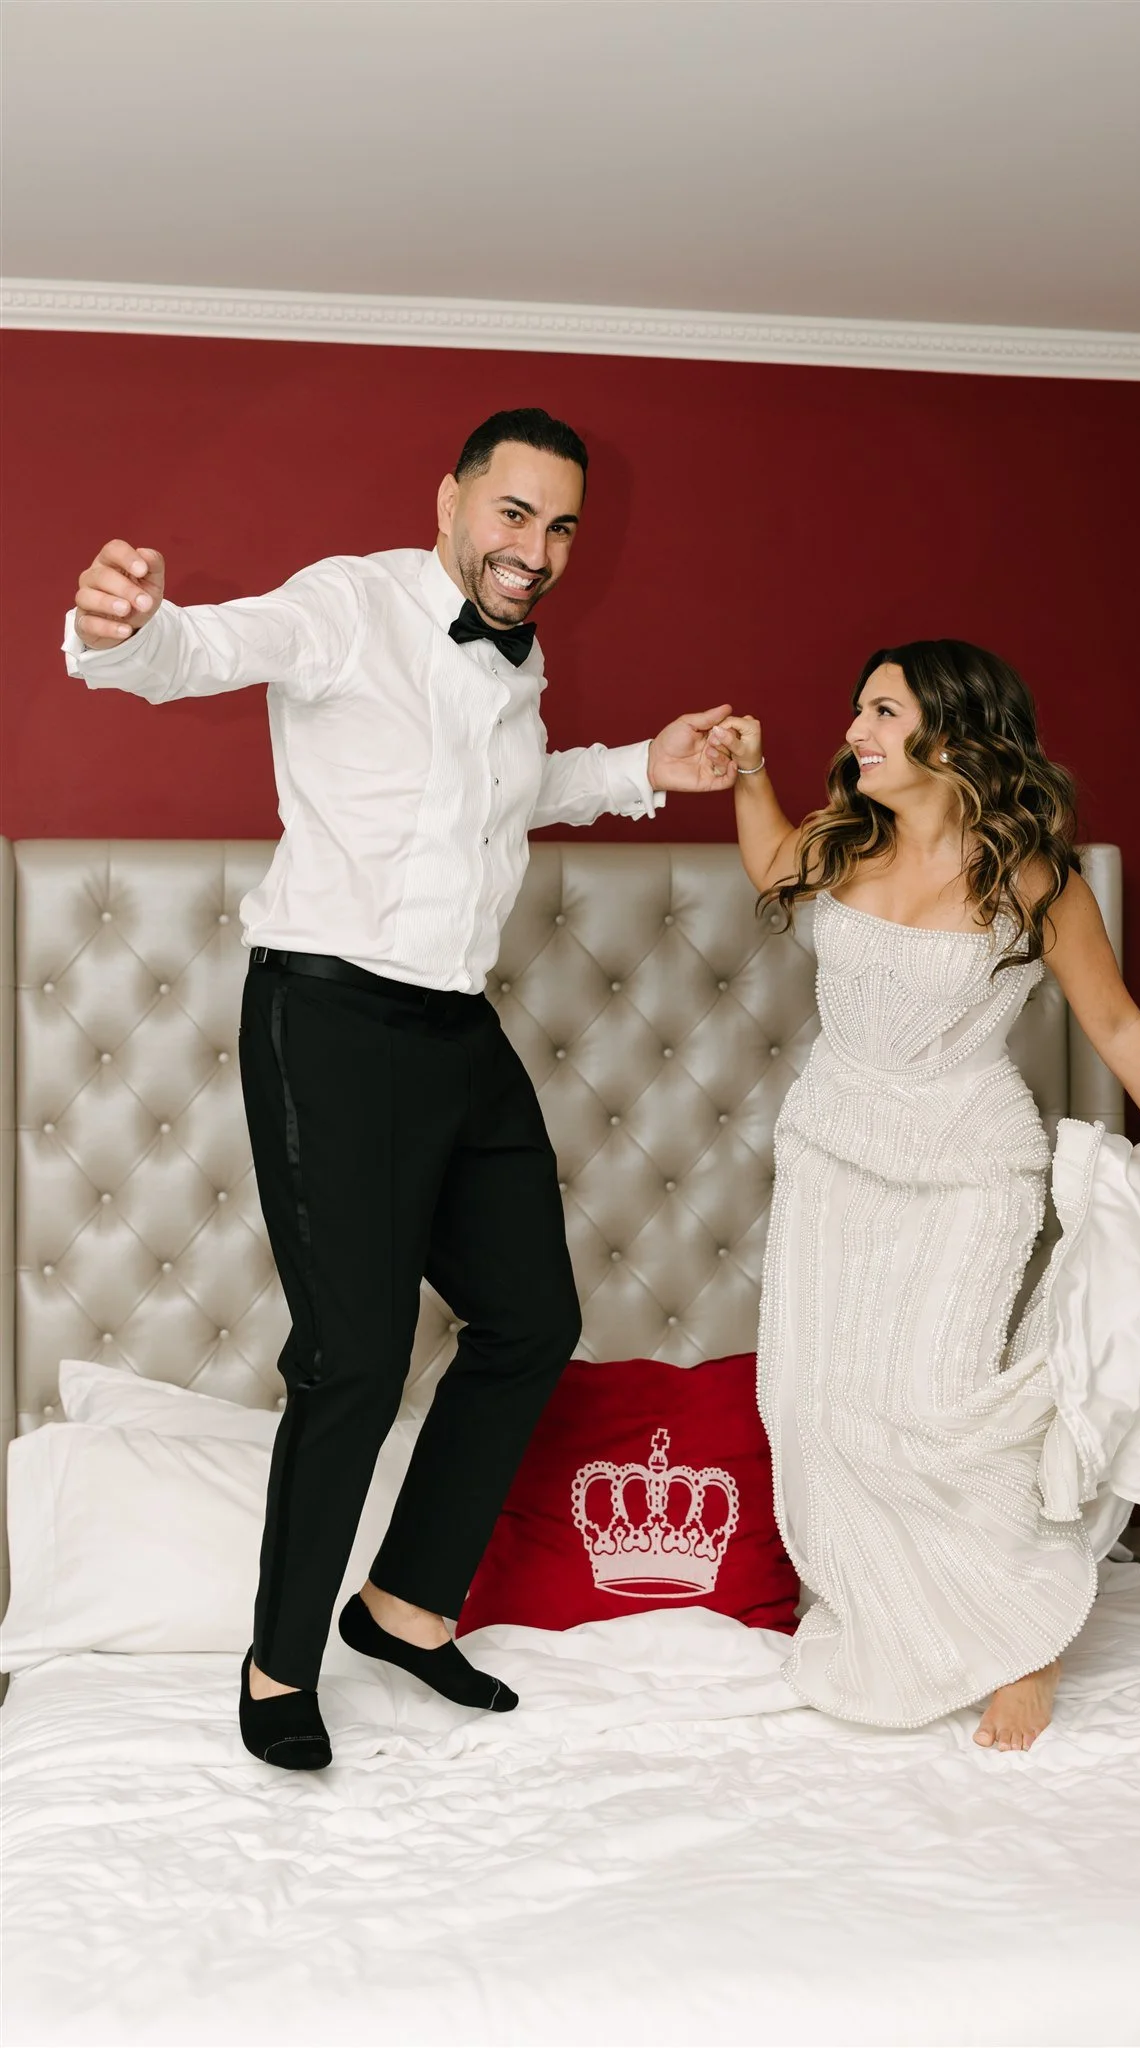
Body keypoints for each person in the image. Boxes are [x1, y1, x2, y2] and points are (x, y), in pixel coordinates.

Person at [64, 407, 735, 1769]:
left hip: (451, 1024)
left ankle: (406, 1605)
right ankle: (278, 1662)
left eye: (561, 528)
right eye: (513, 513)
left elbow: (505, 793)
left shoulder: (517, 660)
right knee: (356, 1356)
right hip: (325, 1015)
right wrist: (123, 628)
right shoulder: (348, 605)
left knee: (531, 1319)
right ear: (451, 501)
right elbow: (197, 651)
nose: (535, 548)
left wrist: (641, 772)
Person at [715, 642, 1140, 1751]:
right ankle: (897, 1609)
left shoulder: (1031, 877)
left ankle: (1024, 1638)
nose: (854, 731)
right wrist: (749, 775)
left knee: (938, 1409)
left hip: (969, 1168)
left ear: (951, 735)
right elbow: (770, 867)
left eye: (882, 712)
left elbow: (1112, 1019)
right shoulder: (843, 842)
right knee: (816, 1409)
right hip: (832, 1153)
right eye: (858, 710)